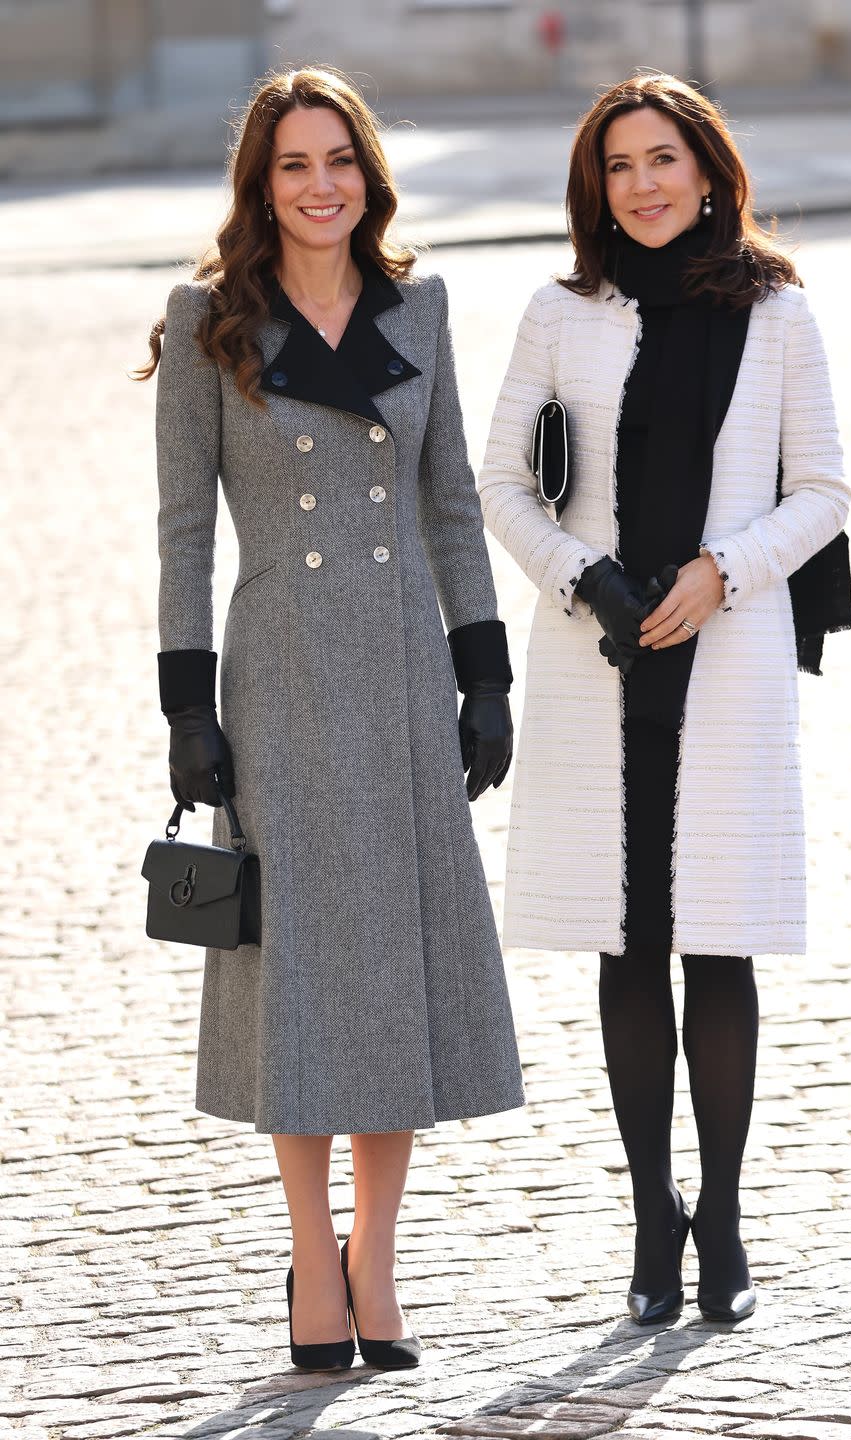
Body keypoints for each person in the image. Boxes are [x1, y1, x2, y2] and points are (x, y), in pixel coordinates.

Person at [135, 65, 524, 1372]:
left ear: (368, 174)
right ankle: (312, 1253)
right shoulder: (207, 320)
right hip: (280, 678)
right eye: (293, 165)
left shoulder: (421, 306)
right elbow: (184, 530)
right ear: (261, 183)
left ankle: (379, 1256)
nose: (319, 186)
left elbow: (452, 504)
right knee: (297, 972)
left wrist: (485, 674)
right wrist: (188, 707)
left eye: (338, 160)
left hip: (403, 670)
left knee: (391, 968)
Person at [479, 72, 851, 1325]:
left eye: (660, 159)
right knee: (624, 941)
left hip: (725, 652)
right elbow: (500, 486)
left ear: (706, 170)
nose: (639, 184)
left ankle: (726, 1217)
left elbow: (823, 493)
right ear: (596, 186)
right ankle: (651, 1221)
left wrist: (719, 572)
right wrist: (582, 575)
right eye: (616, 165)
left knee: (718, 940)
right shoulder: (557, 310)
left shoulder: (778, 310)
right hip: (600, 661)